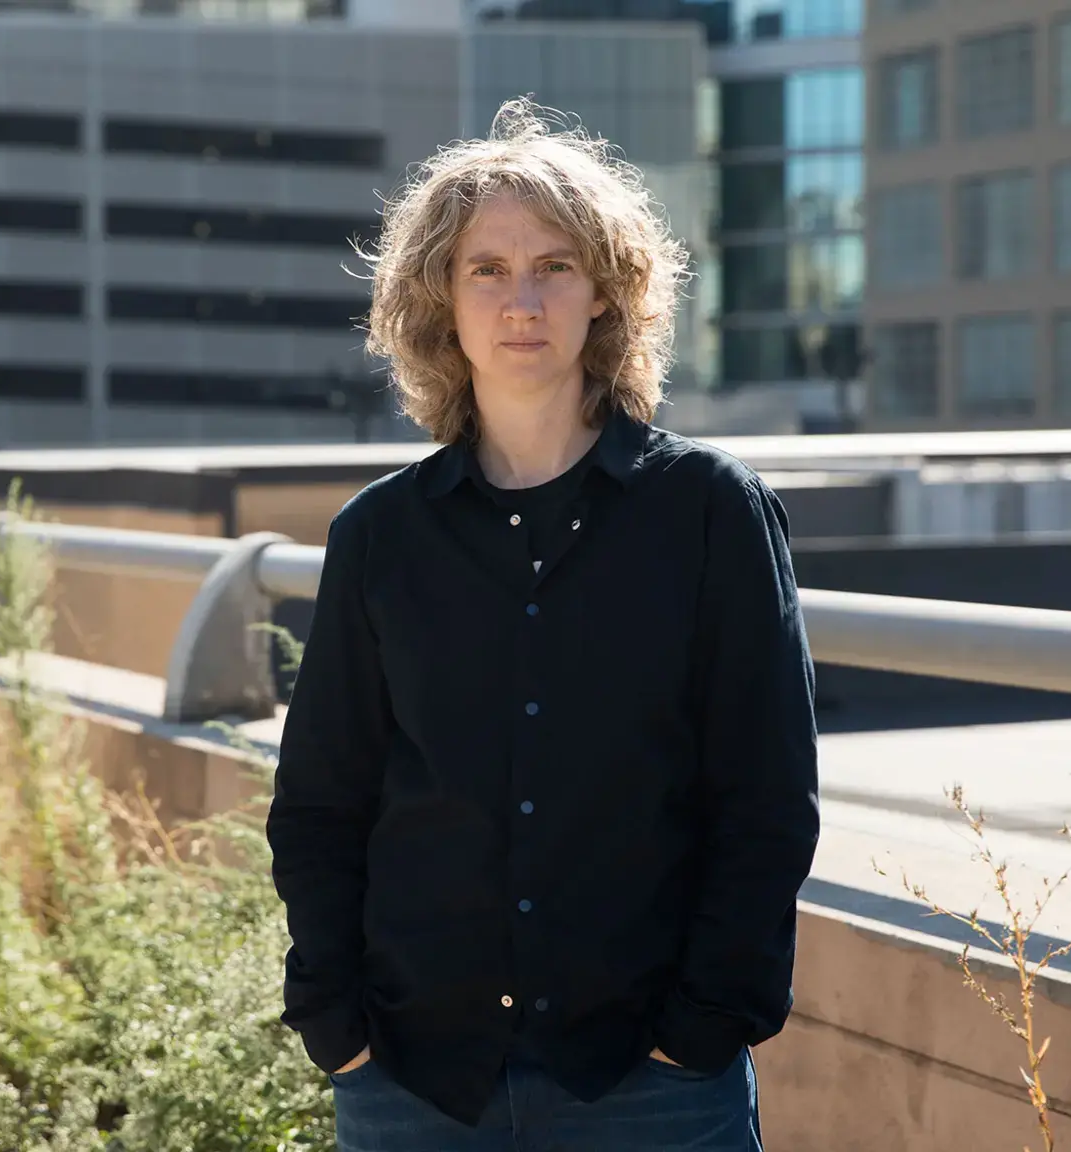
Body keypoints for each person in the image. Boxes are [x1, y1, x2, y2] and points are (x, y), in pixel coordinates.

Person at [264, 97, 821, 1151]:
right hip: (412, 1082)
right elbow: (320, 803)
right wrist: (332, 1026)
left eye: (554, 266)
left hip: (649, 1083)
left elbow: (763, 799)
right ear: (440, 298)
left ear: (606, 294)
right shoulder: (377, 537)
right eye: (487, 269)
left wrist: (701, 1029)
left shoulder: (708, 513)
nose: (521, 299)